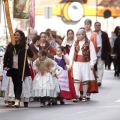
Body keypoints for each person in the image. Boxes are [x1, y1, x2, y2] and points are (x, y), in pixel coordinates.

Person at [3, 30, 33, 107]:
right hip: (13, 67)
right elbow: (6, 56)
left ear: (21, 37)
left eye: (17, 35)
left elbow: (31, 55)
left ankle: (17, 99)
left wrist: (28, 49)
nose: (16, 36)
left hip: (21, 68)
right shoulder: (11, 45)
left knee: (19, 83)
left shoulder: (24, 45)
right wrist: (5, 65)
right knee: (15, 84)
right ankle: (17, 99)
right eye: (15, 35)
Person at [69, 28, 97, 102]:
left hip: (86, 63)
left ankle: (84, 95)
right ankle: (76, 95)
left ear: (84, 35)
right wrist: (70, 63)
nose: (78, 36)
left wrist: (92, 64)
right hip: (77, 63)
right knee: (76, 79)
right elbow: (71, 53)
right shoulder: (75, 43)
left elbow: (93, 54)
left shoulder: (89, 43)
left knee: (85, 79)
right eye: (77, 35)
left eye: (79, 35)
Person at [94, 22, 111, 86]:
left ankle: (99, 80)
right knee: (94, 67)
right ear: (94, 26)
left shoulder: (104, 34)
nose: (97, 26)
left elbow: (107, 44)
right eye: (96, 25)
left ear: (100, 26)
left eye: (99, 25)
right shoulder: (92, 34)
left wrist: (108, 52)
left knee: (100, 67)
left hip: (102, 53)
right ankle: (95, 79)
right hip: (94, 54)